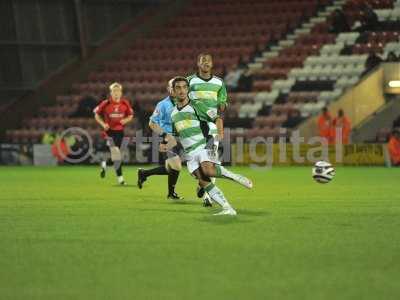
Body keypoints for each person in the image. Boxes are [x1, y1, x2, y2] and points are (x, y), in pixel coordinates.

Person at [162, 77, 253, 215]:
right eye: (178, 88)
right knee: (204, 181)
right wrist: (167, 144)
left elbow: (216, 118)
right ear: (173, 91)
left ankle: (235, 177)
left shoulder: (196, 105)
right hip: (190, 153)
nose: (181, 90)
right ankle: (228, 208)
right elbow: (177, 135)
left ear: (188, 89)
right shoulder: (173, 113)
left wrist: (220, 134)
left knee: (209, 171)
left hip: (204, 144)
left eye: (184, 87)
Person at [187, 53, 228, 207]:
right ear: (198, 63)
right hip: (194, 127)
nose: (206, 63)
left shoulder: (219, 82)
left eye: (208, 61)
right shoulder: (189, 81)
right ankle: (201, 183)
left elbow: (223, 100)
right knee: (196, 162)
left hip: (211, 127)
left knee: (211, 160)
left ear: (212, 64)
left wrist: (222, 104)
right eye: (203, 61)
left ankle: (207, 197)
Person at [137, 78, 183, 200]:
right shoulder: (163, 104)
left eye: (178, 87)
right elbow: (152, 123)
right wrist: (164, 136)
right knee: (177, 165)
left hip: (179, 138)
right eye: (173, 87)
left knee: (170, 168)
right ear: (169, 89)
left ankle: (144, 174)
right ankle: (171, 193)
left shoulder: (185, 103)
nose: (175, 90)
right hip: (166, 138)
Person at [94, 82, 133, 185]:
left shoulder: (125, 103)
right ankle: (121, 179)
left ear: (121, 93)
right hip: (109, 132)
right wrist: (103, 124)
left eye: (118, 91)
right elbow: (96, 115)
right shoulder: (105, 103)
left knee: (117, 156)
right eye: (114, 91)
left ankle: (105, 164)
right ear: (111, 93)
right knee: (116, 154)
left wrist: (125, 121)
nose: (116, 93)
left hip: (120, 132)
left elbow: (130, 115)